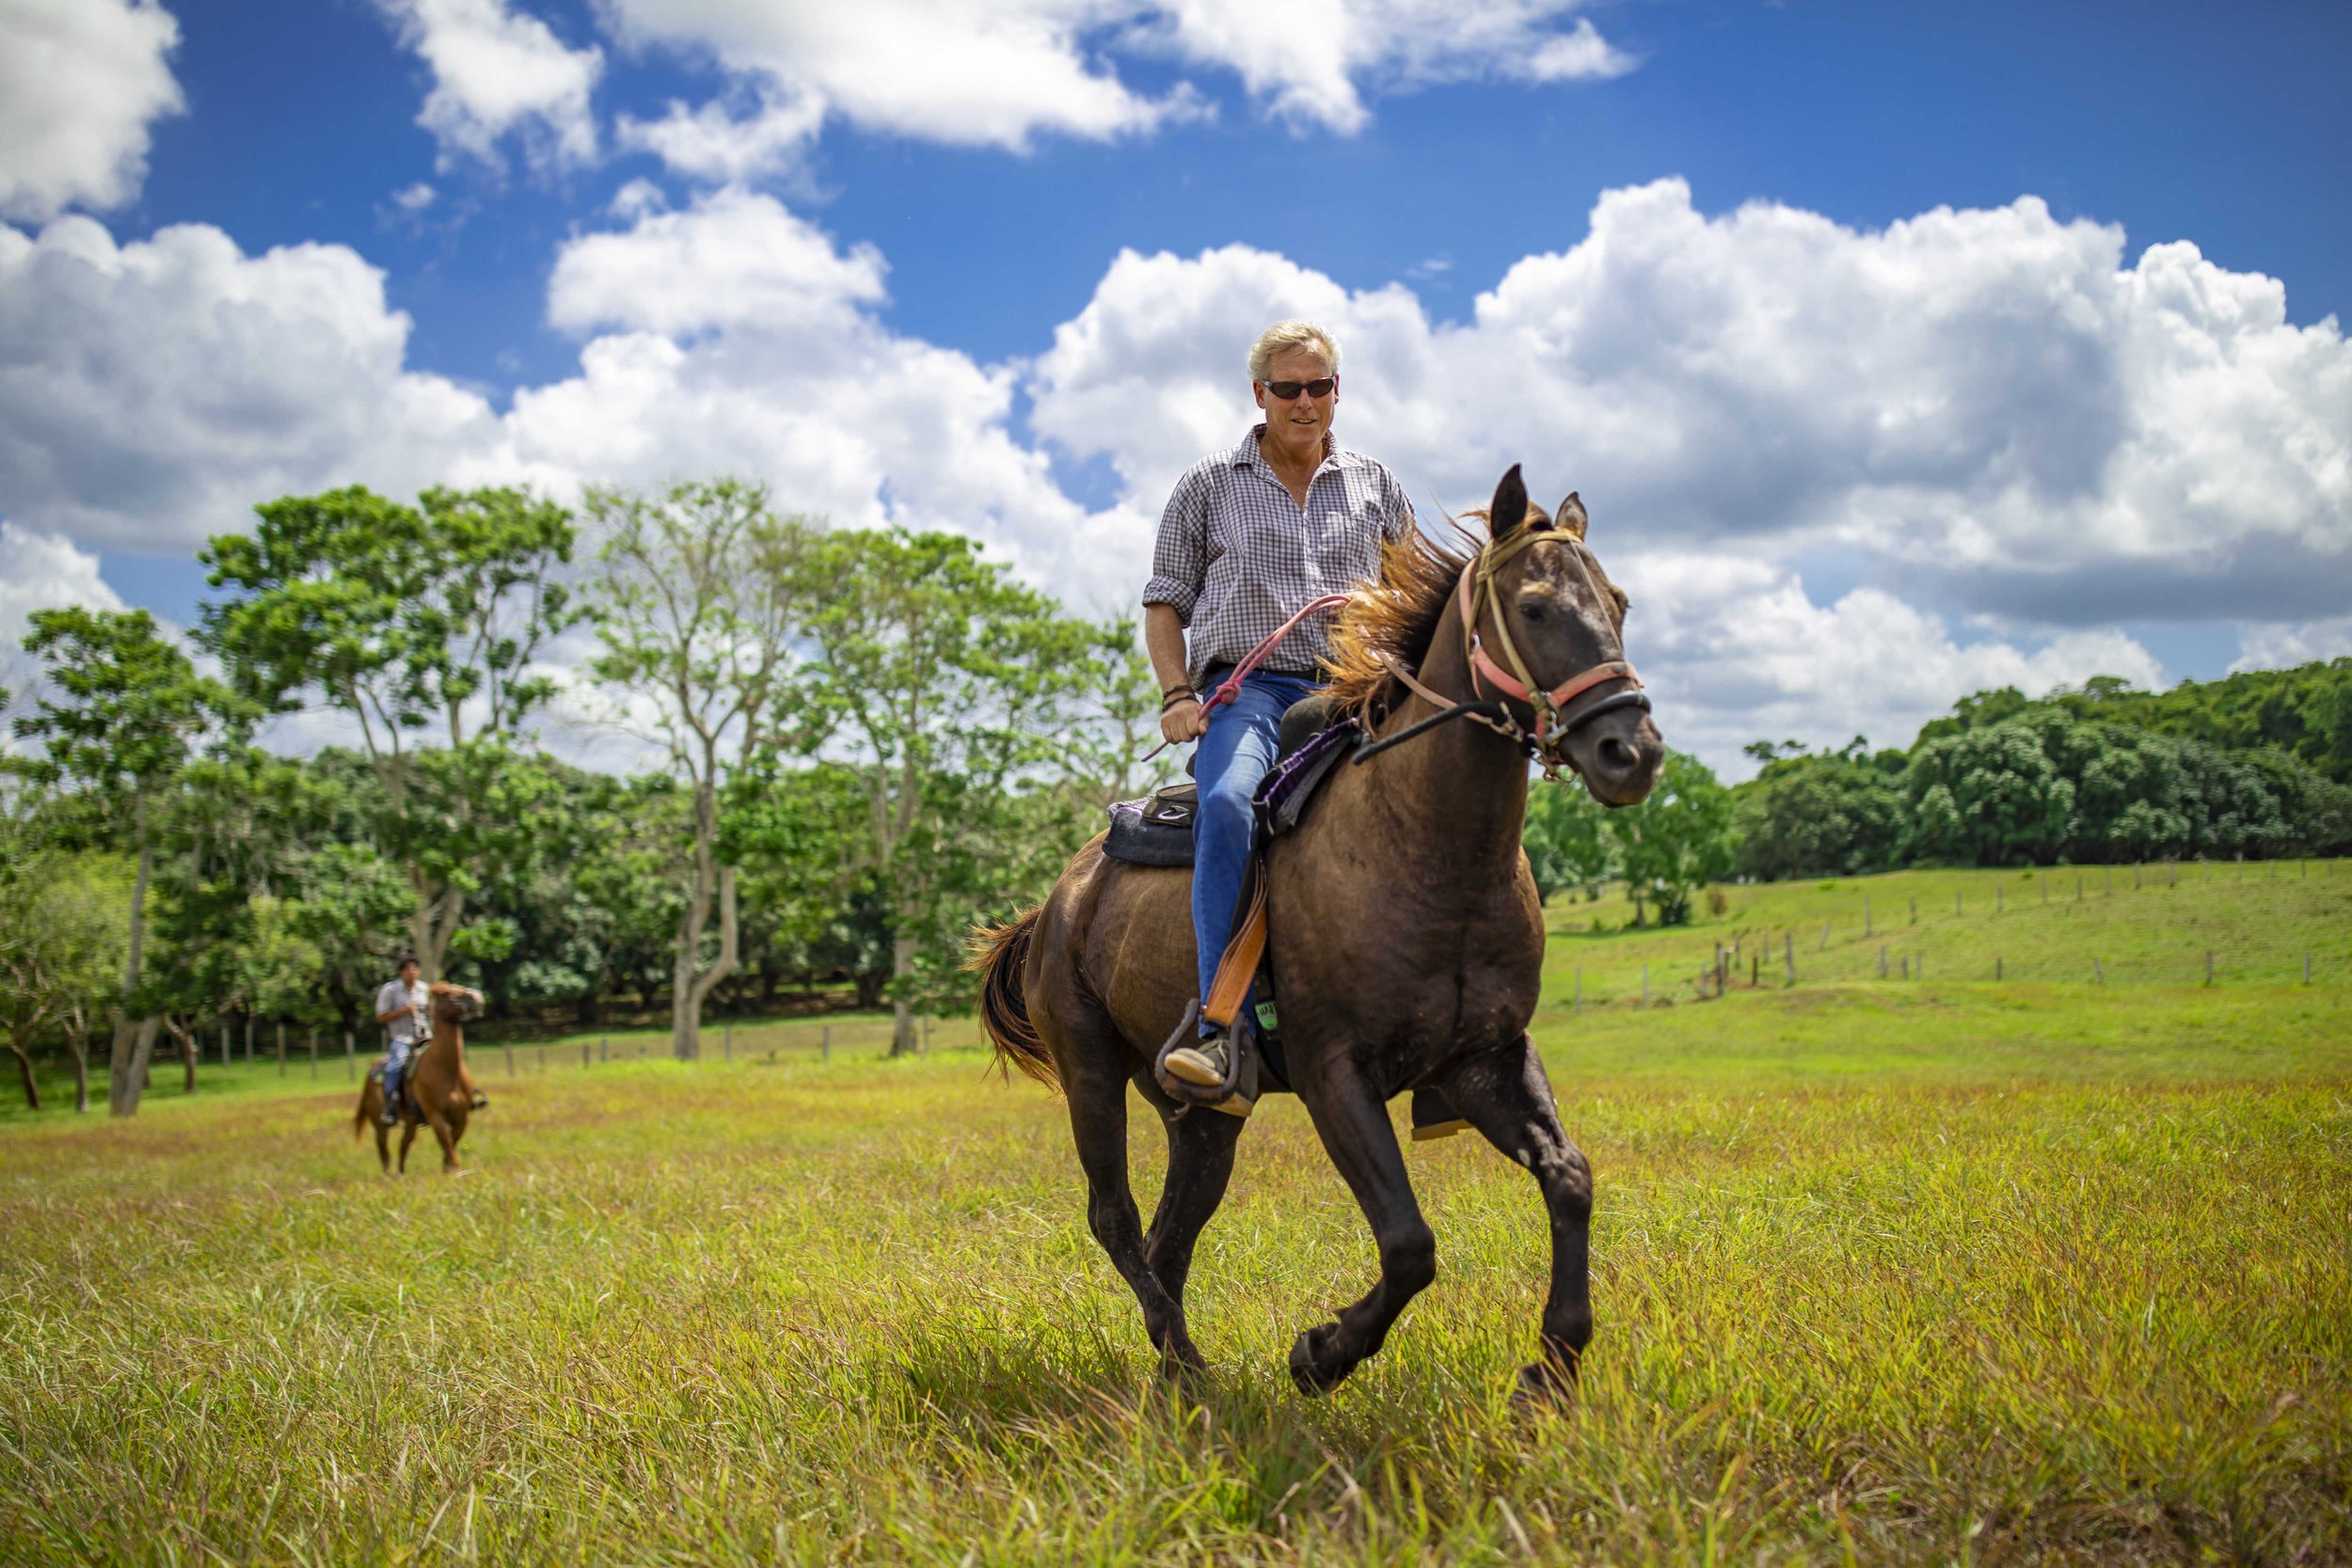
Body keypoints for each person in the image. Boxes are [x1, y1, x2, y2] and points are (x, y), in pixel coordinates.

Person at [1143, 320, 1415, 1110]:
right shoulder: (1206, 486)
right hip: (1251, 690)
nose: (1305, 401)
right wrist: (1178, 695)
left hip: (1357, 690)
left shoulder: (1377, 486)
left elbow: (1415, 600)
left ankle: (1454, 1022)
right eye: (1288, 388)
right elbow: (1165, 604)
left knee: (1446, 784)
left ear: (1338, 391)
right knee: (1227, 805)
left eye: (1319, 386)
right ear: (1258, 395)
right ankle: (1218, 1025)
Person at [374, 954, 429, 1126]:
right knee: (396, 1065)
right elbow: (381, 1017)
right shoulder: (390, 990)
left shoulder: (425, 989)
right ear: (400, 972)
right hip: (402, 1039)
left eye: (414, 968)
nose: (411, 972)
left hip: (426, 1036)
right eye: (407, 969)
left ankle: (466, 1093)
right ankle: (390, 1106)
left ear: (419, 971)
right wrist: (402, 1012)